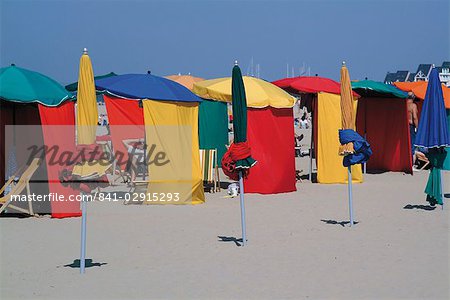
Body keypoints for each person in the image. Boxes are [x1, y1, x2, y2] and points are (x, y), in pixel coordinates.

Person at [407, 92, 419, 162]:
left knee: (406, 144)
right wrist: (417, 127)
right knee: (412, 144)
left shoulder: (404, 104)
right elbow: (415, 117)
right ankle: (412, 163)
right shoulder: (413, 105)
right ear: (413, 97)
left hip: (405, 126)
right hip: (411, 126)